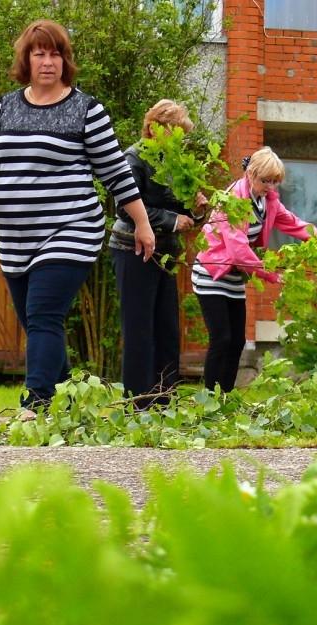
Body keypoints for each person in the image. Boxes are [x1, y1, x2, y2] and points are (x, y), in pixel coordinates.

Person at [0, 19, 154, 418]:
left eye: (56, 53)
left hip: (71, 229)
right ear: (26, 60)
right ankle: (73, 403)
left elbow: (115, 172)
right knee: (38, 324)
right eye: (39, 53)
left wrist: (142, 224)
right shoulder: (4, 107)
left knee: (44, 313)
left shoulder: (85, 109)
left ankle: (36, 402)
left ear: (66, 60)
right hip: (15, 240)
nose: (48, 61)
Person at [192, 146, 316, 393]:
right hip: (211, 273)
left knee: (238, 341)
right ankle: (209, 399)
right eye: (265, 180)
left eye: (274, 182)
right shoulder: (234, 201)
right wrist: (270, 273)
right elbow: (238, 249)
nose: (270, 186)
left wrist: (315, 236)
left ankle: (225, 398)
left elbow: (290, 221)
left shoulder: (266, 200)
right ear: (250, 174)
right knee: (222, 338)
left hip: (234, 276)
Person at [110, 99, 206, 405]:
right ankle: (138, 402)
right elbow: (125, 208)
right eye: (174, 132)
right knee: (139, 328)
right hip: (133, 250)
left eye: (182, 134)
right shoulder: (133, 158)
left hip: (165, 253)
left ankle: (164, 400)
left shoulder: (172, 164)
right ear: (154, 129)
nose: (180, 140)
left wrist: (197, 209)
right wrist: (172, 220)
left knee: (166, 328)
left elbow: (182, 213)